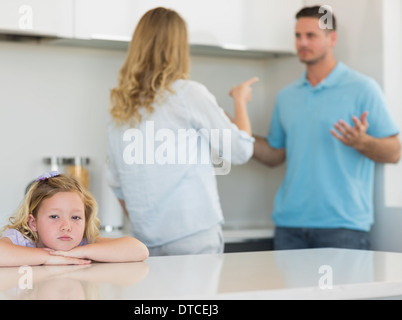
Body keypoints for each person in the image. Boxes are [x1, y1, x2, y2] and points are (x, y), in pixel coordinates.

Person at [106, 7, 257, 256]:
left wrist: (148, 222)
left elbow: (116, 182)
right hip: (193, 236)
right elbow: (241, 151)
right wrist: (240, 101)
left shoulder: (121, 105)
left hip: (144, 242)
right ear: (178, 47)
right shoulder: (188, 94)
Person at [252, 6, 401, 250]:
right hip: (290, 227)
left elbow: (394, 152)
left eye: (311, 35)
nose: (302, 42)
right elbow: (275, 154)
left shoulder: (362, 88)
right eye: (298, 36)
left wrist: (363, 142)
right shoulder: (286, 96)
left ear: (332, 38)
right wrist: (235, 135)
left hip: (343, 228)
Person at [0, 171, 149, 267]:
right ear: (33, 223)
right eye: (54, 216)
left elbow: (139, 250)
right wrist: (47, 257)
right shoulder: (21, 241)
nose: (66, 226)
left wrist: (81, 252)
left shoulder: (81, 243)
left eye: (76, 217)